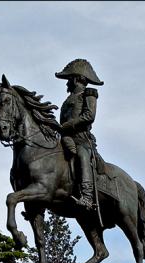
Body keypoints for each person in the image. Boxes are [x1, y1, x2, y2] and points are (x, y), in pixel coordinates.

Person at [55, 58, 103, 211]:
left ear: (76, 79)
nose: (67, 83)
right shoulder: (68, 99)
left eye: (69, 79)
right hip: (66, 137)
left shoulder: (88, 94)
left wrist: (66, 126)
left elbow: (89, 116)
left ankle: (87, 197)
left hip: (82, 139)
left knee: (82, 155)